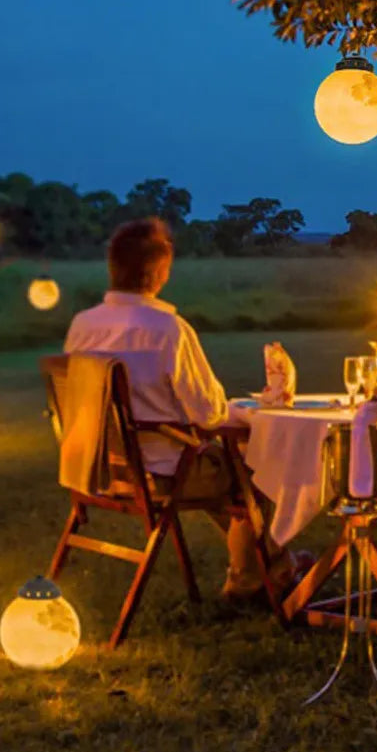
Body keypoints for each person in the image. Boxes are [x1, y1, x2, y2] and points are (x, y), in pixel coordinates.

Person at [64, 216, 305, 600]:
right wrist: (250, 412)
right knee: (258, 467)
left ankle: (271, 566)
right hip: (162, 476)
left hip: (99, 468)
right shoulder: (167, 330)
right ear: (161, 271)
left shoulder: (83, 325)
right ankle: (255, 578)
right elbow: (207, 413)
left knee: (228, 471)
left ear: (113, 267)